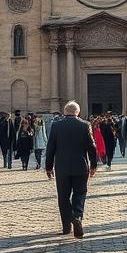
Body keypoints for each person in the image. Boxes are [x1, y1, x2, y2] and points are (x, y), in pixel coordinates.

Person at [45, 100, 99, 238]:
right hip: (80, 166)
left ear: (64, 112)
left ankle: (66, 227)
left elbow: (50, 147)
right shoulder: (85, 125)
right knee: (80, 193)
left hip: (62, 167)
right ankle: (77, 216)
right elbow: (92, 147)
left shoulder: (56, 126)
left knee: (63, 196)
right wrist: (93, 165)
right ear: (78, 112)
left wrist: (48, 166)